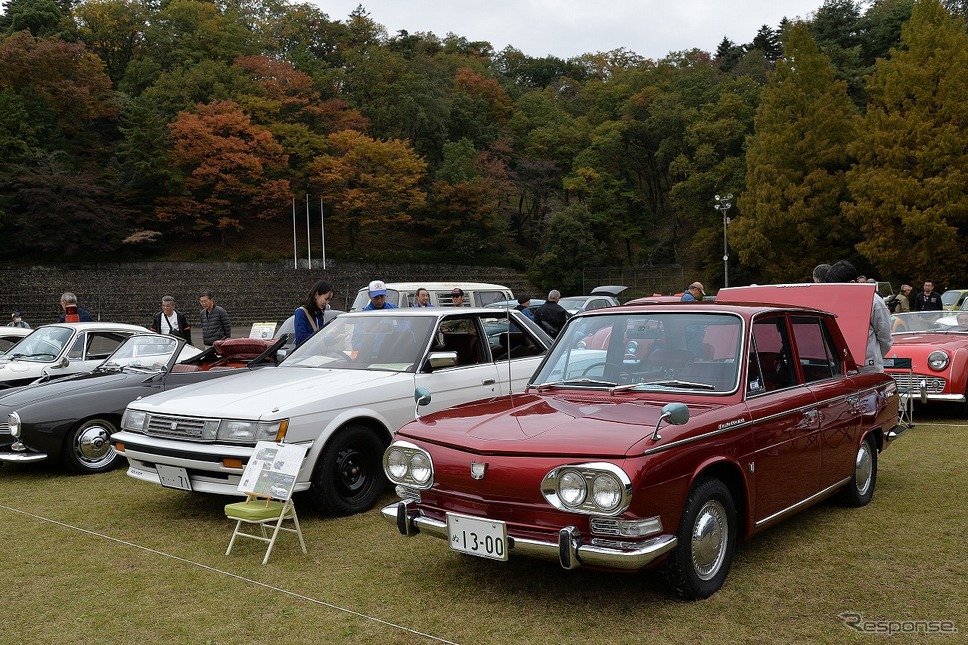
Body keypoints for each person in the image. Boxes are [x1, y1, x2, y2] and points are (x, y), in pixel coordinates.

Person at [824, 260, 892, 373]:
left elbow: (885, 336)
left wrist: (873, 356)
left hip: (868, 367)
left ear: (851, 283)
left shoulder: (873, 300)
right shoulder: (831, 301)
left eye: (838, 287)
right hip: (838, 365)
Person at [293, 280, 334, 346]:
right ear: (316, 295)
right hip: (305, 354)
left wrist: (334, 337)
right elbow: (300, 339)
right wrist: (322, 335)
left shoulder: (319, 314)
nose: (327, 303)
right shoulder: (301, 312)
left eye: (329, 300)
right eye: (326, 299)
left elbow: (321, 339)